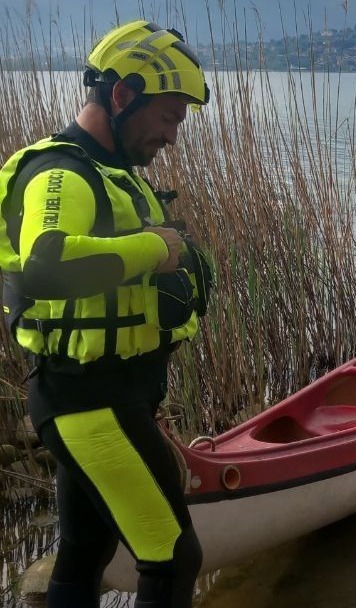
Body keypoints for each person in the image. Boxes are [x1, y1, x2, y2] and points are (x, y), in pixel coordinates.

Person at [0, 20, 213, 607]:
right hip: (88, 399)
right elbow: (45, 267)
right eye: (167, 117)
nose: (172, 136)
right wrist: (154, 247)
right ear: (121, 95)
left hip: (108, 394)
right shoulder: (60, 174)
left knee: (85, 549)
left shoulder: (110, 175)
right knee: (173, 557)